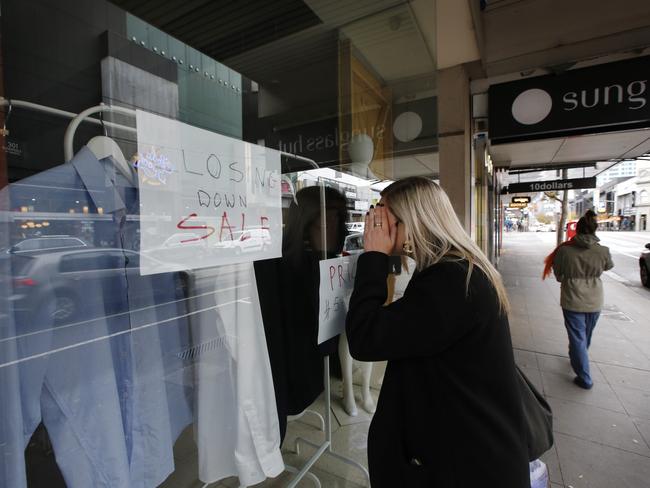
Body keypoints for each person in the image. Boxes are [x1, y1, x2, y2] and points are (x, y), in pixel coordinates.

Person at [345, 177, 529, 487]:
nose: (375, 227)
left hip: (464, 465)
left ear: (413, 220)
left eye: (383, 218)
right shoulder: (457, 268)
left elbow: (365, 338)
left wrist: (374, 257)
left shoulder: (451, 281)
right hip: (469, 451)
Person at [548, 209, 614, 389]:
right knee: (585, 336)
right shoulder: (603, 251)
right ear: (594, 230)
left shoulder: (565, 251)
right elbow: (608, 266)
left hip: (572, 298)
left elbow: (559, 273)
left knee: (577, 337)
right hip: (595, 299)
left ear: (576, 229)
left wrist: (568, 277)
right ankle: (579, 359)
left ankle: (584, 376)